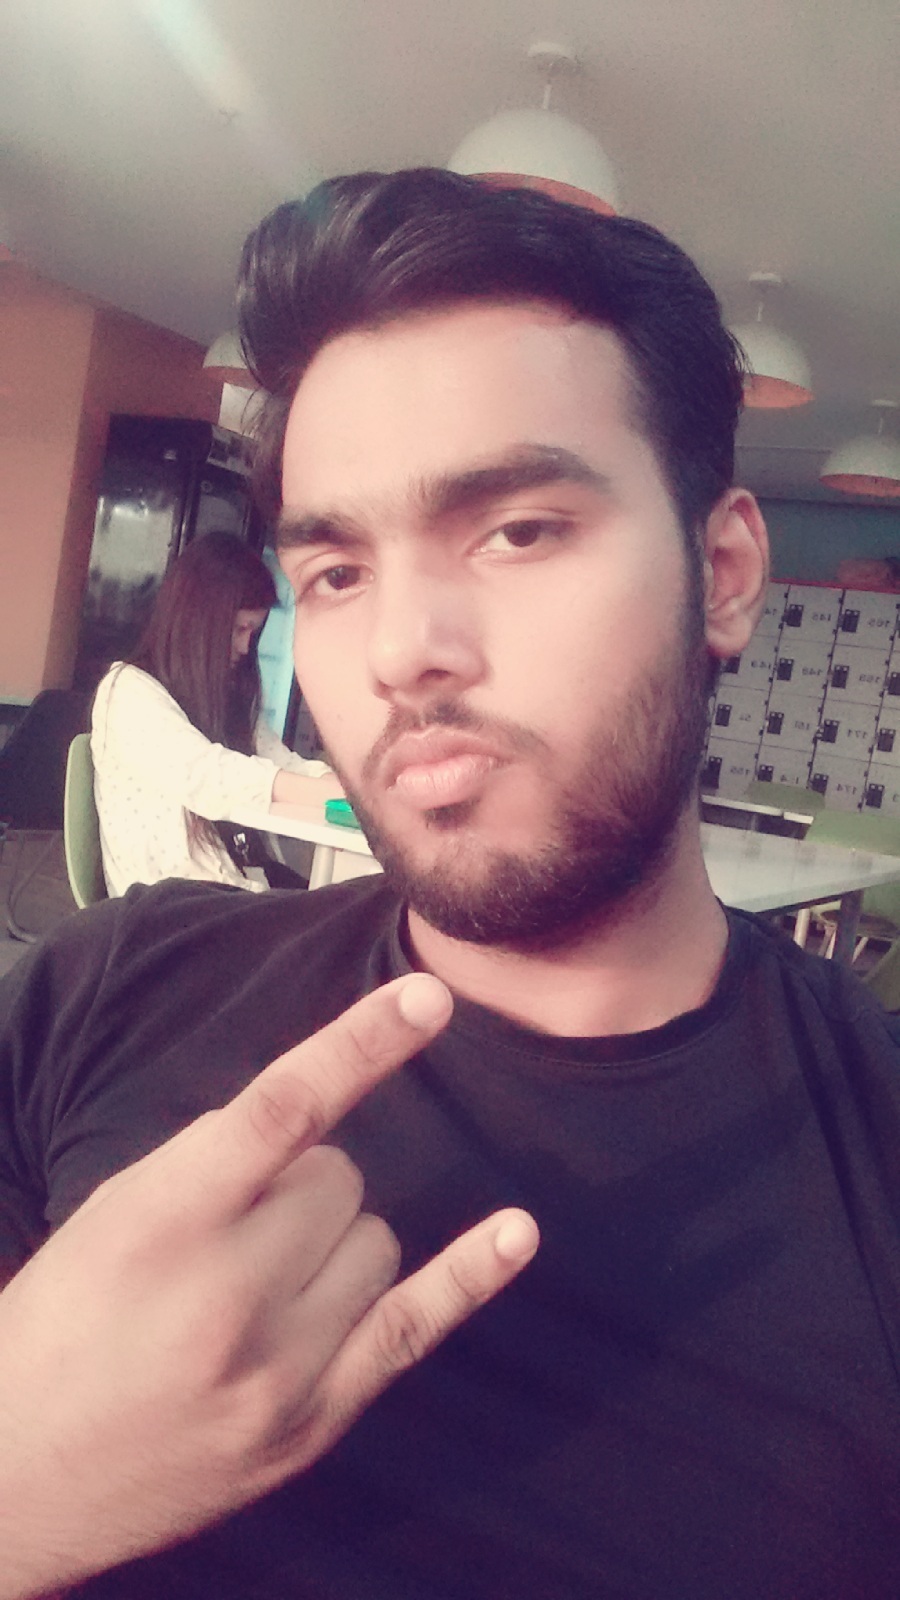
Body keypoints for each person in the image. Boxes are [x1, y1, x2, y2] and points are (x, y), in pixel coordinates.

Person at [1, 168, 900, 1599]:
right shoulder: (103, 989)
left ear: (726, 573)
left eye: (517, 529)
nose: (402, 649)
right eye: (336, 571)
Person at [91, 530, 342, 893]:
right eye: (239, 629)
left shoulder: (217, 695)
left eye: (252, 633)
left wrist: (341, 790)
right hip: (169, 904)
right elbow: (207, 776)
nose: (245, 647)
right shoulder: (127, 690)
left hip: (230, 887)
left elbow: (280, 760)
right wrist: (326, 795)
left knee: (348, 906)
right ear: (199, 624)